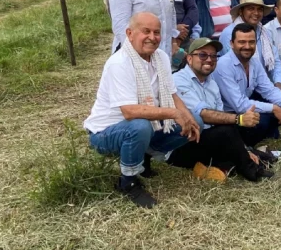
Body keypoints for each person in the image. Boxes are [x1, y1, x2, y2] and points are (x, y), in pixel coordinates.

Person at [83, 12, 205, 209]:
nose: (152, 37)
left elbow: (172, 94)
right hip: (105, 132)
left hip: (144, 126)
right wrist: (174, 114)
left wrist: (188, 117)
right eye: (145, 31)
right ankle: (127, 182)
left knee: (197, 120)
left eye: (157, 32)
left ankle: (144, 156)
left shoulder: (161, 57)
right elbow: (129, 112)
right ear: (129, 33)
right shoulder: (119, 63)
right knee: (139, 126)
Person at [172, 37, 274, 182]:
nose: (209, 59)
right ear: (189, 58)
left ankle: (237, 160)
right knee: (229, 129)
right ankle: (252, 171)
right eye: (202, 55)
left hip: (206, 138)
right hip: (182, 144)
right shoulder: (178, 80)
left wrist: (243, 148)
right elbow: (203, 115)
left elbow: (221, 119)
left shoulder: (211, 83)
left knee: (237, 128)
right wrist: (239, 119)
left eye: (213, 56)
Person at [213, 23, 281, 146]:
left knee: (276, 112)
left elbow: (269, 89)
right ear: (232, 44)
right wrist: (274, 108)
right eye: (242, 42)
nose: (247, 46)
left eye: (251, 42)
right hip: (228, 117)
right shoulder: (223, 65)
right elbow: (240, 105)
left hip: (244, 110)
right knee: (264, 120)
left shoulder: (254, 62)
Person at [219, 0, 281, 96]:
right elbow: (236, 66)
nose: (256, 13)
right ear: (241, 11)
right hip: (241, 90)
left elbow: (276, 62)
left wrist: (279, 83)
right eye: (251, 9)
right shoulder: (229, 33)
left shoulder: (265, 32)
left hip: (265, 87)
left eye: (259, 9)